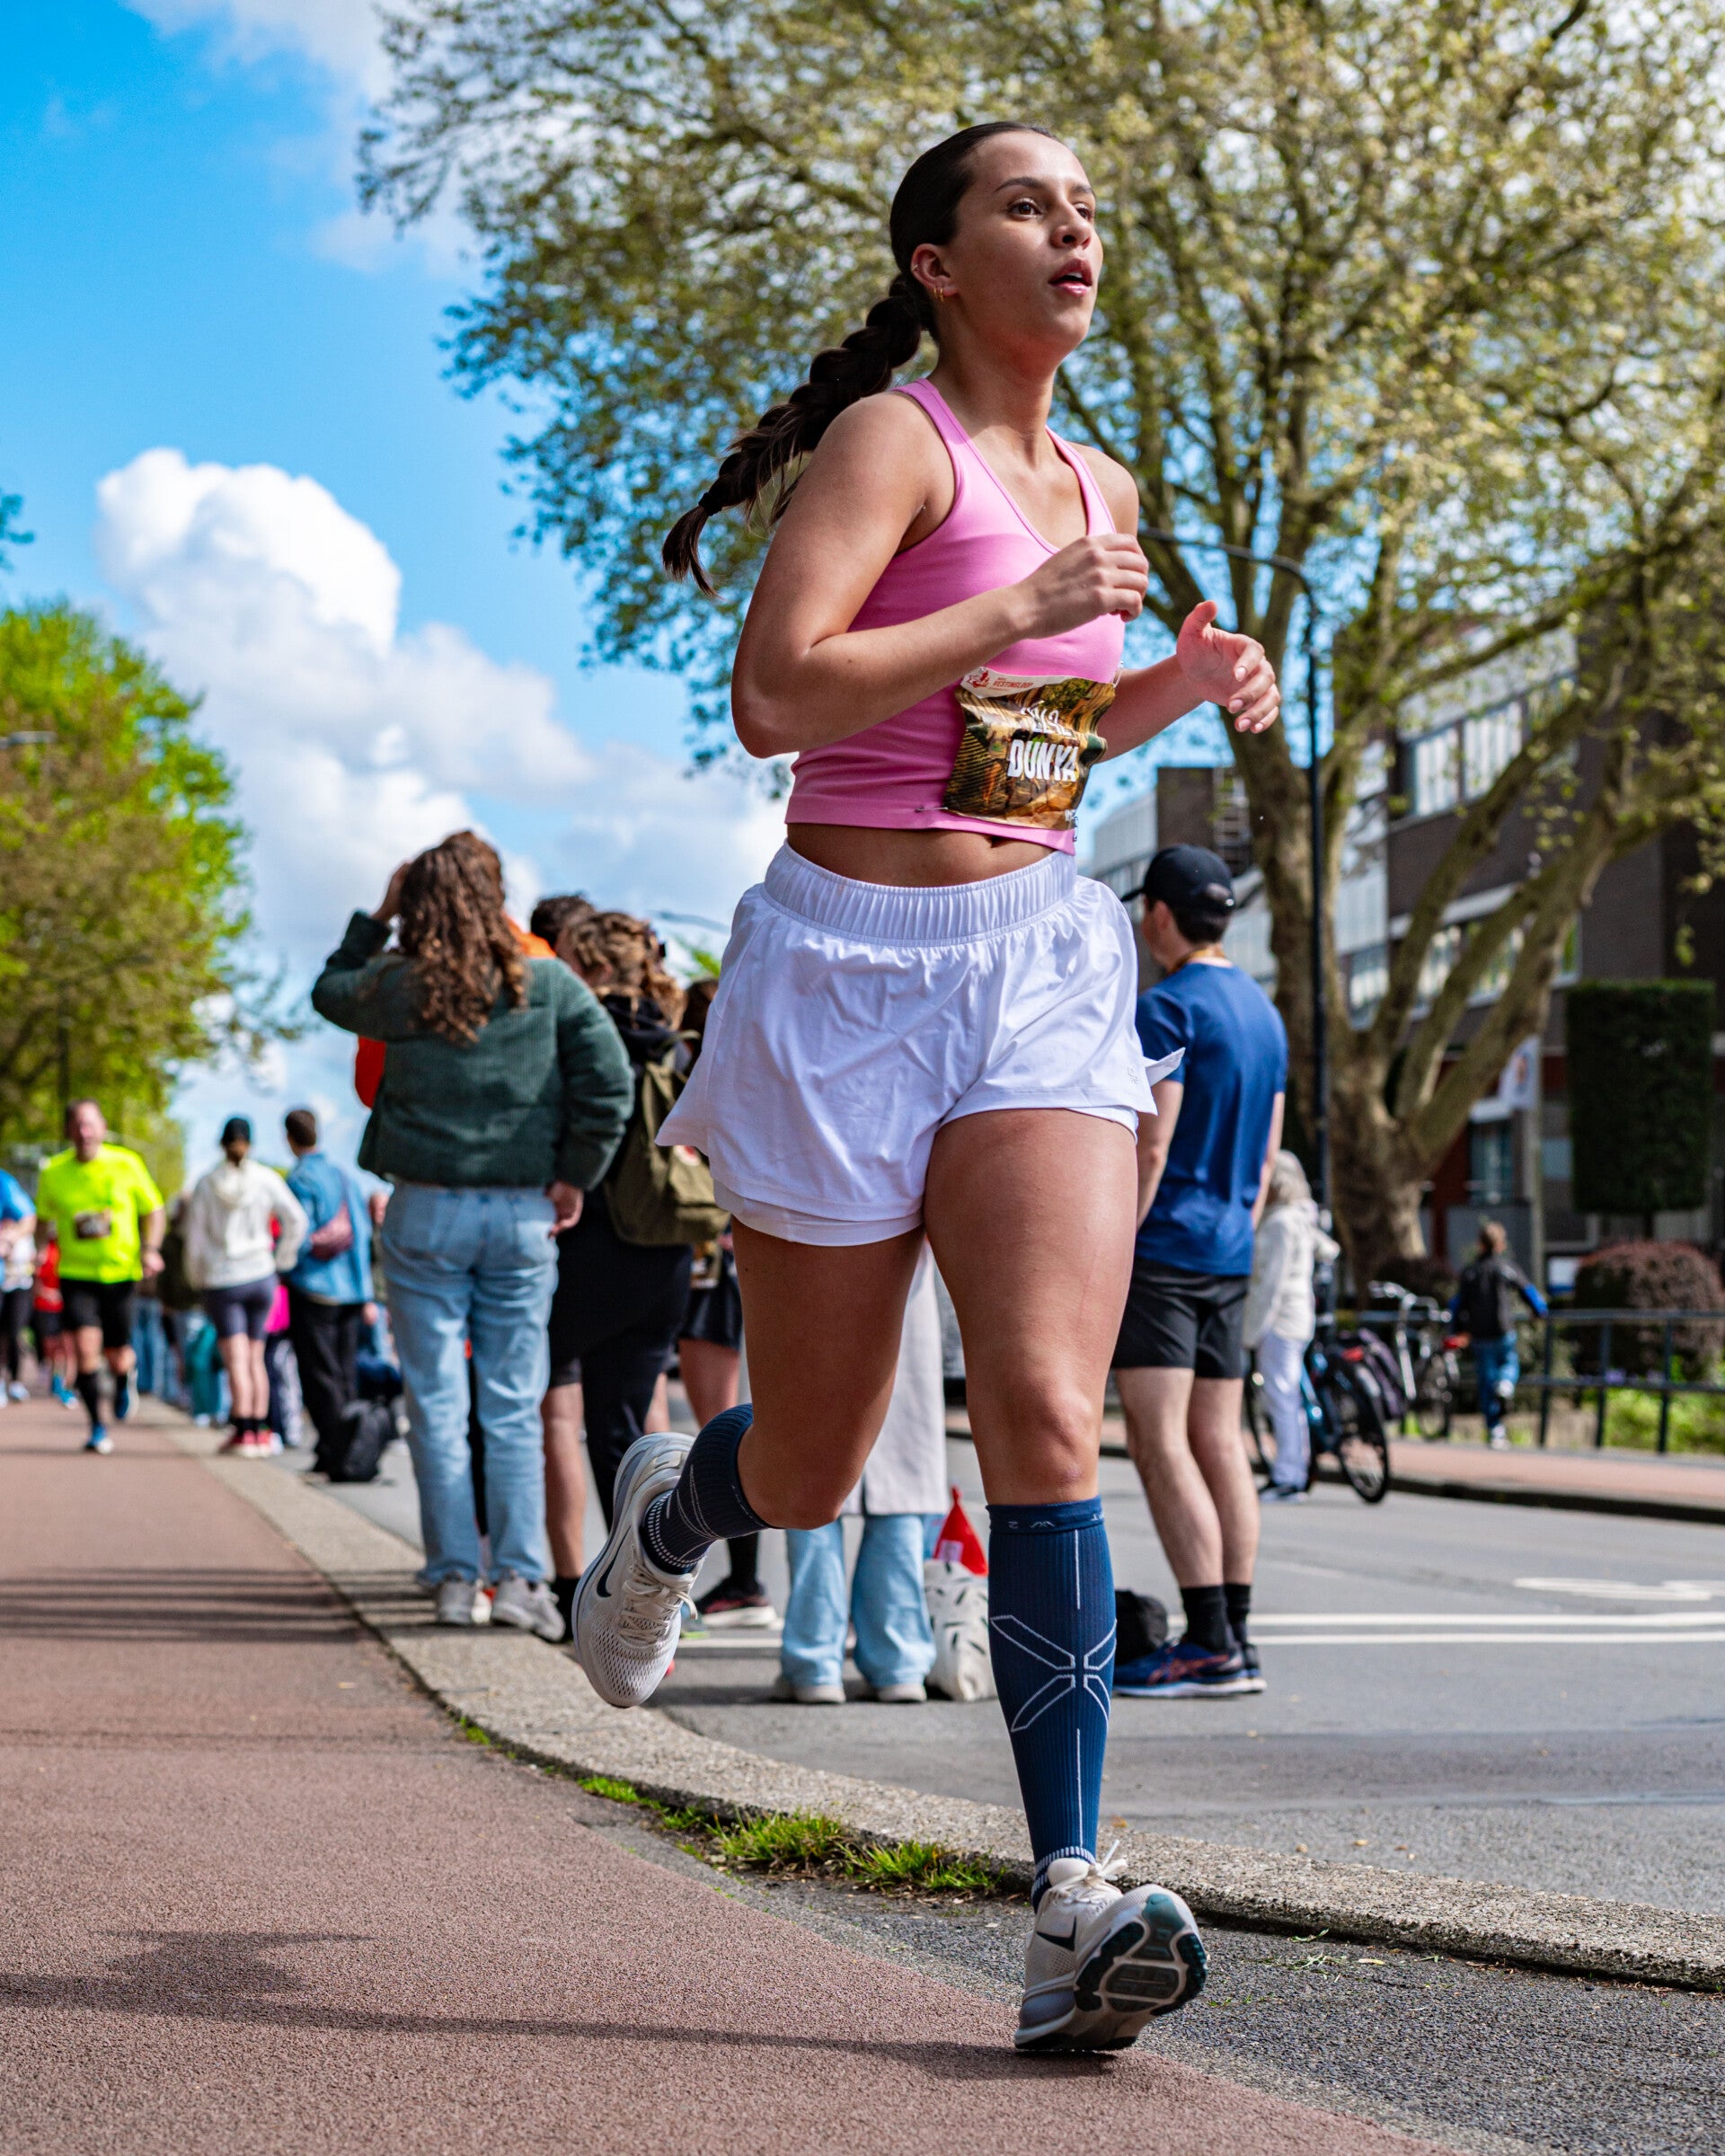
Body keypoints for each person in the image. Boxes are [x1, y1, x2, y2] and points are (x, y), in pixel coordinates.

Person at [569, 123, 1278, 2054]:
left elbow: (1020, 757)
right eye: (1029, 205)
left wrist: (1179, 684)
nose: (1075, 232)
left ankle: (1070, 1899)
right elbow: (780, 696)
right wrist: (1024, 604)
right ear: (941, 263)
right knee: (811, 1463)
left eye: (1088, 210)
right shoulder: (898, 442)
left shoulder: (1103, 484)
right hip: (844, 970)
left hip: (1035, 958)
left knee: (1045, 1409)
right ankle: (673, 1518)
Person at [312, 831, 633, 1638]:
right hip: (523, 1211)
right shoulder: (549, 986)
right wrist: (575, 1174)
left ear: (418, 903)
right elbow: (610, 1084)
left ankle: (456, 1577)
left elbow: (330, 990)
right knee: (514, 1405)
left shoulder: (400, 985)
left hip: (424, 1210)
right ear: (497, 896)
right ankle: (519, 1579)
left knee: (436, 1403)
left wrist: (378, 914)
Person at [1110, 846, 1287, 1701]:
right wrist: (1235, 1232)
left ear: (1158, 916)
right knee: (1220, 1440)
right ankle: (1235, 1638)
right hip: (1229, 1250)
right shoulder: (1264, 1013)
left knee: (1158, 1440)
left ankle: (1208, 1642)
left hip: (1166, 1248)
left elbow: (1151, 1147)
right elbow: (1269, 1155)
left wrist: (1117, 1241)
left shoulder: (1167, 1008)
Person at [546, 912, 702, 1546]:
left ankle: (535, 1577)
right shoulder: (674, 1042)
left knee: (516, 1405)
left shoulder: (583, 1034)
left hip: (589, 1245)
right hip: (666, 1250)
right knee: (625, 1430)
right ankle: (647, 1573)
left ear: (598, 968)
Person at [776, 1245, 949, 1701]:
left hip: (810, 1266)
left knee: (810, 1479)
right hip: (903, 1280)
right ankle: (899, 1661)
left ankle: (814, 1663)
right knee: (901, 1488)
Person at [33, 1100, 166, 1454]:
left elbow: (154, 1210)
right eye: (78, 1125)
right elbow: (42, 1218)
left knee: (118, 1353)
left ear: (104, 1127)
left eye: (90, 1124)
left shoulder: (126, 1163)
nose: (84, 1132)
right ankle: (96, 1425)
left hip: (120, 1273)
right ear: (68, 1130)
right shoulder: (53, 1172)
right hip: (76, 1274)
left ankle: (124, 1379)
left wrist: (150, 1249)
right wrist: (39, 1249)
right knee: (84, 1351)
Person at [182, 1118, 308, 1456]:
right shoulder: (266, 1179)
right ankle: (261, 1431)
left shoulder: (207, 1184)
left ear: (221, 1144)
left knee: (236, 1358)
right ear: (250, 1144)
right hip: (261, 1275)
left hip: (223, 1278)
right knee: (256, 1355)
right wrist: (281, 1259)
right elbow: (297, 1220)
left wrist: (196, 1276)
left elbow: (195, 1240)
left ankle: (242, 1431)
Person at [282, 1107, 376, 1474]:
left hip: (314, 1287)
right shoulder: (343, 1176)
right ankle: (351, 1447)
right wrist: (365, 1292)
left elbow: (298, 1233)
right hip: (351, 1289)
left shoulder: (300, 1178)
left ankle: (337, 1448)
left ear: (289, 1138)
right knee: (345, 1372)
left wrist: (283, 1265)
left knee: (320, 1373)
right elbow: (361, 1234)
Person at [1243, 1151, 1339, 1504]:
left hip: (1280, 1319)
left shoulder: (1280, 1222)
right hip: (1298, 1316)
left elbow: (1270, 1284)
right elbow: (1328, 1249)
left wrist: (1250, 1332)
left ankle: (1288, 1476)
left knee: (1281, 1397)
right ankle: (1294, 1470)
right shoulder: (1299, 1217)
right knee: (1289, 1396)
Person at [1452, 1220, 1547, 1449]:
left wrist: (1457, 1331)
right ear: (1500, 1245)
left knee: (1486, 1382)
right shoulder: (1506, 1268)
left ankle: (1495, 1430)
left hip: (1479, 1334)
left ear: (1480, 1244)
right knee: (1509, 1364)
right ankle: (1505, 1385)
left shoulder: (1470, 1272)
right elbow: (1528, 1291)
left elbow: (1457, 1305)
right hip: (1503, 1330)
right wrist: (1539, 1311)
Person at [0, 1166, 37, 1401]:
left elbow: (29, 1218)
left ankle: (14, 1380)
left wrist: (8, 1240)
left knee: (12, 1332)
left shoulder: (3, 1182)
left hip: (17, 1284)